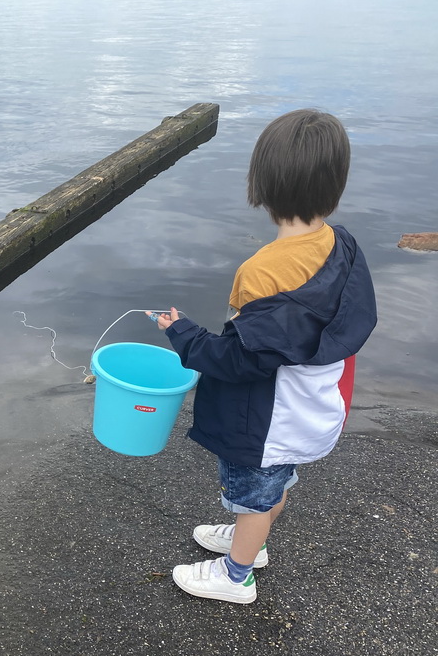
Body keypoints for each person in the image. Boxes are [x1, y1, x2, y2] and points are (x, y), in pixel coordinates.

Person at [148, 109, 377, 604]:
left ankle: (237, 575)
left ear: (262, 182)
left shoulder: (262, 272)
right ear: (335, 182)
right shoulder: (343, 245)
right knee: (277, 484)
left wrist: (182, 333)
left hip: (269, 419)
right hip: (313, 404)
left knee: (253, 494)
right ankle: (252, 540)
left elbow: (240, 360)